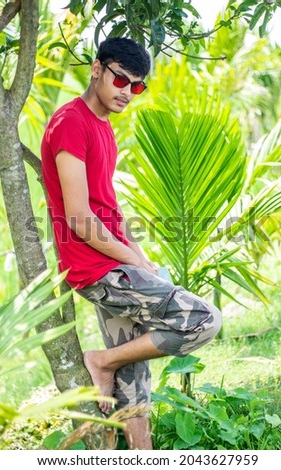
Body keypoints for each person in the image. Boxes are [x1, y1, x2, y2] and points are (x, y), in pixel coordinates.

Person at [41, 37, 222, 450]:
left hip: (112, 261)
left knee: (134, 375)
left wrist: (139, 255)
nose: (127, 91)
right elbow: (79, 218)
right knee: (203, 320)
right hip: (96, 268)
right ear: (96, 69)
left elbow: (106, 207)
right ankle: (99, 360)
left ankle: (142, 456)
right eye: (121, 79)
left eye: (136, 86)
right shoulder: (71, 122)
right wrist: (132, 262)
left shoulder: (103, 127)